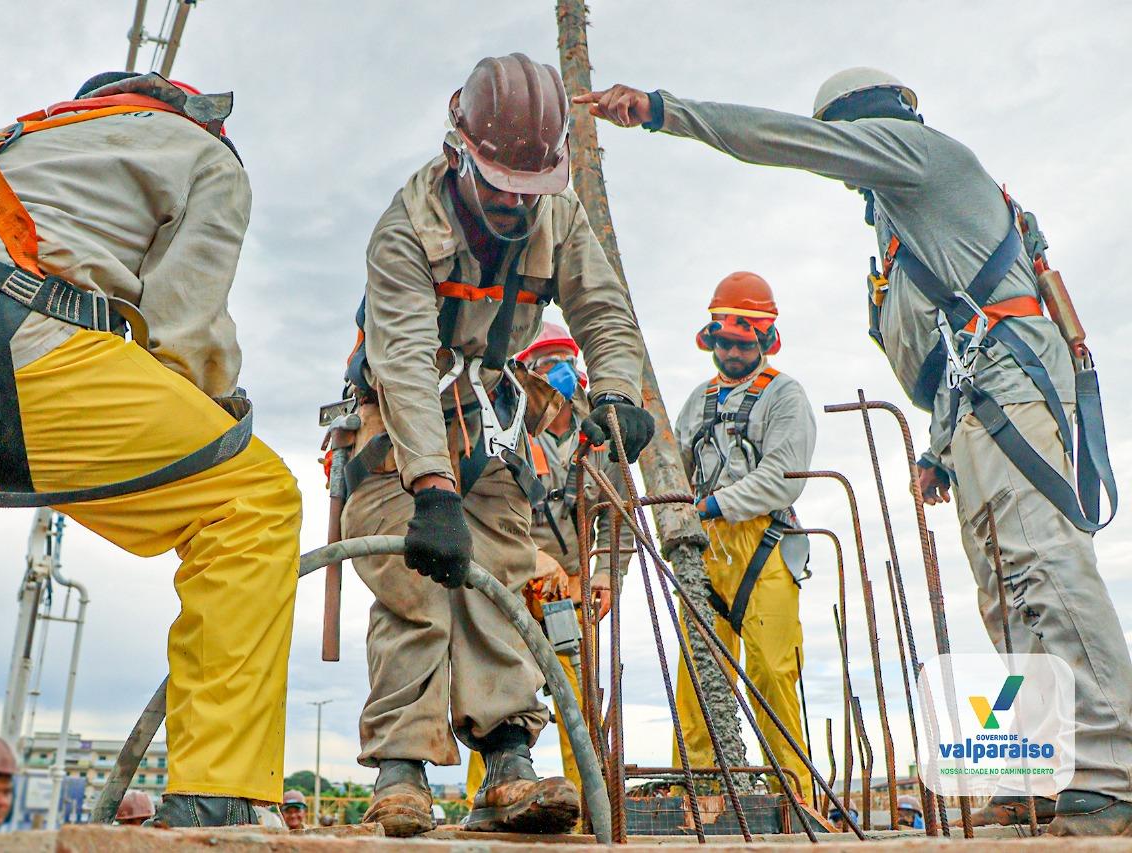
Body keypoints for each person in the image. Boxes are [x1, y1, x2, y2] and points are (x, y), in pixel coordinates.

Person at [577, 68, 1132, 837]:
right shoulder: (905, 227)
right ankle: (1041, 775)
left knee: (1047, 565)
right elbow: (950, 342)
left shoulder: (919, 156)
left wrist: (665, 113)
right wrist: (939, 446)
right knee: (1008, 593)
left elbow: (787, 144)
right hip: (975, 406)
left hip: (1015, 395)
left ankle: (1111, 770)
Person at [0, 71, 301, 829]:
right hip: (16, 355)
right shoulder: (202, 151)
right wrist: (209, 418)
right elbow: (184, 331)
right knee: (252, 498)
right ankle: (218, 792)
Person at [341, 53, 650, 837]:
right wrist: (432, 491)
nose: (516, 205)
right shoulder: (406, 227)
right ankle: (402, 769)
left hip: (489, 417)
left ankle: (509, 761)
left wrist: (616, 391)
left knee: (502, 576)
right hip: (396, 422)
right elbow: (405, 366)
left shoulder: (561, 216)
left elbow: (606, 314)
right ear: (460, 152)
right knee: (413, 583)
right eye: (501, 187)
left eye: (530, 190)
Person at [464, 322, 635, 811]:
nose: (561, 371)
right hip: (514, 579)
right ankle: (496, 797)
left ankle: (588, 806)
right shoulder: (504, 425)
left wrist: (605, 576)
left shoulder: (600, 435)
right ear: (526, 372)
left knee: (580, 699)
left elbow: (618, 514)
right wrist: (530, 558)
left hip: (573, 588)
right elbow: (482, 509)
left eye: (567, 359)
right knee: (499, 688)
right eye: (547, 362)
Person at [671, 272, 814, 799]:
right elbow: (673, 469)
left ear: (763, 340)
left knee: (773, 672)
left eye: (740, 342)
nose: (730, 351)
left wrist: (711, 504)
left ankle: (792, 796)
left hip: (765, 547)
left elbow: (783, 476)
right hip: (707, 550)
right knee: (698, 678)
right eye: (722, 342)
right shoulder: (698, 401)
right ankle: (700, 793)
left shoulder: (785, 397)